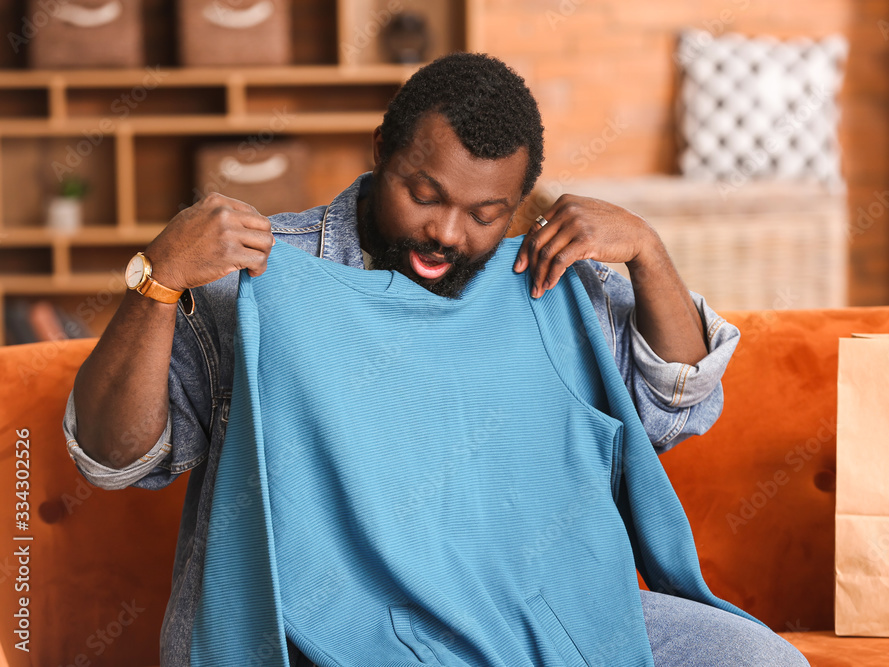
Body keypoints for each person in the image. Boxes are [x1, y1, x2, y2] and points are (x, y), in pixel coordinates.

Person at [63, 52, 806, 666]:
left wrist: (648, 252)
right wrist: (156, 280)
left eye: (485, 214)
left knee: (761, 661)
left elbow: (678, 407)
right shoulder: (258, 273)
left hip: (532, 603)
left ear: (516, 203)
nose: (446, 233)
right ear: (381, 150)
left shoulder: (546, 278)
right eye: (425, 195)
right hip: (328, 625)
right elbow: (113, 457)